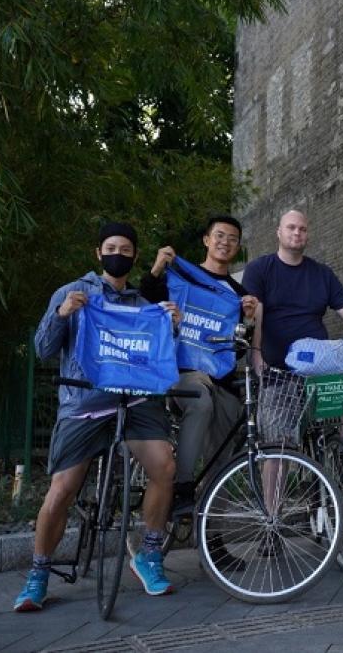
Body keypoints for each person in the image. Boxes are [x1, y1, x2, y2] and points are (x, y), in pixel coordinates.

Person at [15, 222, 181, 612]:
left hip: (136, 403)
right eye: (111, 247)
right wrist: (62, 313)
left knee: (165, 466)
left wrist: (170, 327)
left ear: (135, 256)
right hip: (85, 405)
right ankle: (38, 572)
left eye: (126, 249)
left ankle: (150, 554)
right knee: (62, 488)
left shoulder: (143, 306)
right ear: (98, 252)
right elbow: (42, 349)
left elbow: (158, 359)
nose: (118, 254)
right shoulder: (75, 292)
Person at [138, 216, 260, 513]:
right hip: (182, 376)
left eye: (232, 238)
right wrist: (156, 270)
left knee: (223, 457)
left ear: (238, 247)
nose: (225, 242)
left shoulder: (238, 294)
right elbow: (145, 302)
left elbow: (237, 349)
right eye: (219, 235)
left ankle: (214, 539)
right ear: (206, 240)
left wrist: (248, 321)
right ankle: (180, 486)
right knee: (201, 401)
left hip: (220, 381)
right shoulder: (181, 278)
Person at [241, 209, 343, 441]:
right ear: (278, 232)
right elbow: (254, 311)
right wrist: (257, 356)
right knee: (278, 447)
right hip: (278, 367)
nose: (297, 233)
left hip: (317, 364)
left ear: (307, 235)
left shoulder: (321, 273)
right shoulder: (260, 269)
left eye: (302, 229)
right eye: (291, 227)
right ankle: (276, 474)